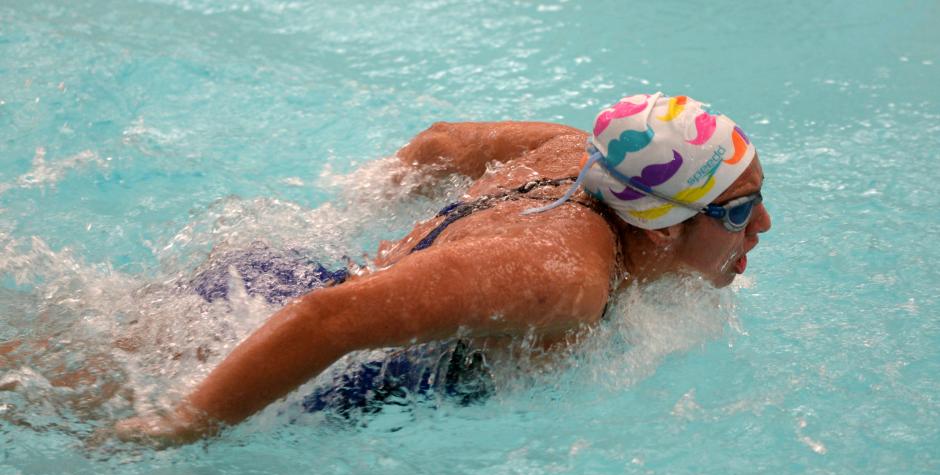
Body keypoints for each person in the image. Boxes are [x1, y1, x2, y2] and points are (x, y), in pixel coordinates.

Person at [112, 92, 770, 445]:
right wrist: (185, 427)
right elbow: (331, 318)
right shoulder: (561, 274)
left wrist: (346, 224)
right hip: (288, 356)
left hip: (283, 278)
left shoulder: (578, 152)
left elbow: (440, 144)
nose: (762, 226)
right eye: (740, 212)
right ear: (663, 226)